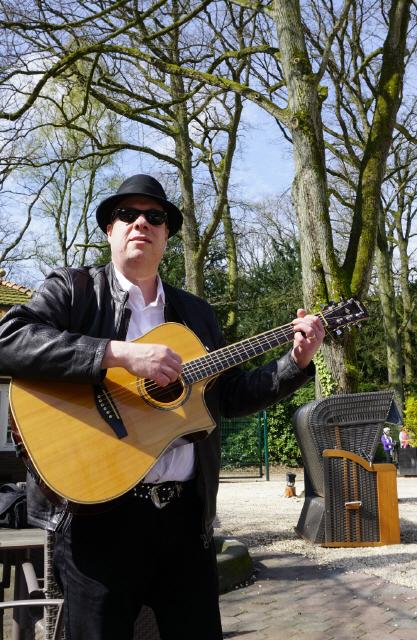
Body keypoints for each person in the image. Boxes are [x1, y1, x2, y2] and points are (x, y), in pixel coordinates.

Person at [0, 174, 325, 640]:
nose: (141, 223)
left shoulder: (196, 314)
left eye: (155, 217)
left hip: (182, 523)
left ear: (167, 236)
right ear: (109, 230)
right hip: (98, 520)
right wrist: (117, 354)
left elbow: (228, 396)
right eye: (126, 214)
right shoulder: (74, 291)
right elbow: (9, 339)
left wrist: (296, 361)